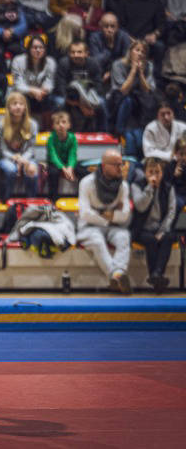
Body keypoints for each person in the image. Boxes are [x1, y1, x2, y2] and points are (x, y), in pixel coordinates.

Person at [76, 148, 132, 294]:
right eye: (116, 165)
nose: (121, 168)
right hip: (88, 227)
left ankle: (116, 275)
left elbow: (125, 214)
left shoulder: (123, 186)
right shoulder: (86, 182)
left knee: (124, 237)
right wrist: (110, 216)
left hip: (113, 227)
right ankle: (117, 274)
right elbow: (85, 213)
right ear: (104, 165)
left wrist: (103, 214)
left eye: (121, 164)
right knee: (97, 240)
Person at [131, 157, 176, 293]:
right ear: (145, 172)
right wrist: (150, 188)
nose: (154, 176)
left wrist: (162, 230)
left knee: (168, 237)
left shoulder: (168, 188)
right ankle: (157, 276)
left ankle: (156, 274)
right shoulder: (136, 185)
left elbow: (171, 212)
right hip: (141, 229)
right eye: (151, 172)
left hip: (160, 228)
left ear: (162, 173)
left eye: (158, 172)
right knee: (150, 240)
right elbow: (140, 206)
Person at [111, 40, 157, 159]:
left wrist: (141, 73)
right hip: (119, 101)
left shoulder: (149, 66)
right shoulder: (118, 64)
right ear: (130, 51)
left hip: (141, 104)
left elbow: (147, 90)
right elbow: (123, 90)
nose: (140, 54)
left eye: (143, 52)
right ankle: (119, 131)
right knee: (128, 100)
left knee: (136, 137)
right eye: (137, 50)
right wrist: (133, 70)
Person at [118, 0, 166, 71]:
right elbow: (120, 25)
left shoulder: (156, 3)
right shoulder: (125, 2)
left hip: (148, 40)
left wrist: (155, 34)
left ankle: (156, 81)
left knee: (160, 46)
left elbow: (162, 24)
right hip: (129, 39)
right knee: (122, 42)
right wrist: (130, 39)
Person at [55, 40, 105, 132]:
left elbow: (98, 87)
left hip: (89, 97)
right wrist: (80, 105)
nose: (76, 55)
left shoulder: (93, 63)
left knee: (102, 103)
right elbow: (60, 88)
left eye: (79, 52)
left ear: (86, 53)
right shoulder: (63, 63)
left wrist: (89, 104)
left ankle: (103, 133)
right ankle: (61, 133)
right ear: (69, 54)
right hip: (69, 98)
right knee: (59, 102)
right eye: (73, 52)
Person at [0, 92, 39, 202]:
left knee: (32, 170)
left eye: (21, 104)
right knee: (11, 169)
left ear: (25, 107)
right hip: (7, 158)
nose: (18, 106)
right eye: (14, 104)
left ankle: (31, 201)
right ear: (9, 107)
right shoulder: (1, 125)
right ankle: (6, 199)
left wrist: (23, 160)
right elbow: (3, 150)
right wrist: (16, 158)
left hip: (27, 157)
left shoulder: (33, 124)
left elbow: (31, 148)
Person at [10, 34, 61, 123]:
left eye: (41, 48)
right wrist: (33, 90)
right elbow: (18, 84)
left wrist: (43, 91)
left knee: (57, 101)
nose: (38, 50)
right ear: (29, 49)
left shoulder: (50, 62)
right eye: (35, 47)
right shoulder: (18, 61)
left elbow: (49, 82)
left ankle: (48, 130)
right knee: (18, 98)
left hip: (42, 95)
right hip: (23, 93)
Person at [88, 13, 132, 83]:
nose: (109, 29)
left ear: (117, 27)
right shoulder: (94, 37)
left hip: (118, 70)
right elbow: (96, 61)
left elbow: (126, 59)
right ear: (100, 26)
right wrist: (109, 47)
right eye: (106, 26)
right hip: (101, 69)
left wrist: (111, 72)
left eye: (112, 26)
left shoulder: (124, 36)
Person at [46, 110, 78, 201]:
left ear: (69, 125)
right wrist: (64, 169)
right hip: (55, 164)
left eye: (64, 122)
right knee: (53, 172)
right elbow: (53, 156)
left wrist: (70, 168)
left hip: (68, 163)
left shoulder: (72, 138)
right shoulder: (51, 138)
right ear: (53, 126)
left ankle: (80, 197)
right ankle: (53, 199)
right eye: (57, 123)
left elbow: (73, 155)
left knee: (82, 170)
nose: (61, 125)